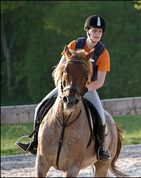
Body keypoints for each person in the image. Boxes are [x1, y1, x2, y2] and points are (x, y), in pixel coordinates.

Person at [16, 15, 111, 160]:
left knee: (101, 116)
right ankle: (35, 142)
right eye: (94, 30)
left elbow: (100, 81)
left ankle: (100, 149)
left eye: (100, 31)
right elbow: (60, 68)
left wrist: (85, 90)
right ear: (88, 31)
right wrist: (63, 87)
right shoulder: (74, 44)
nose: (97, 34)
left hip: (87, 89)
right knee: (39, 107)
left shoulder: (103, 53)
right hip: (66, 88)